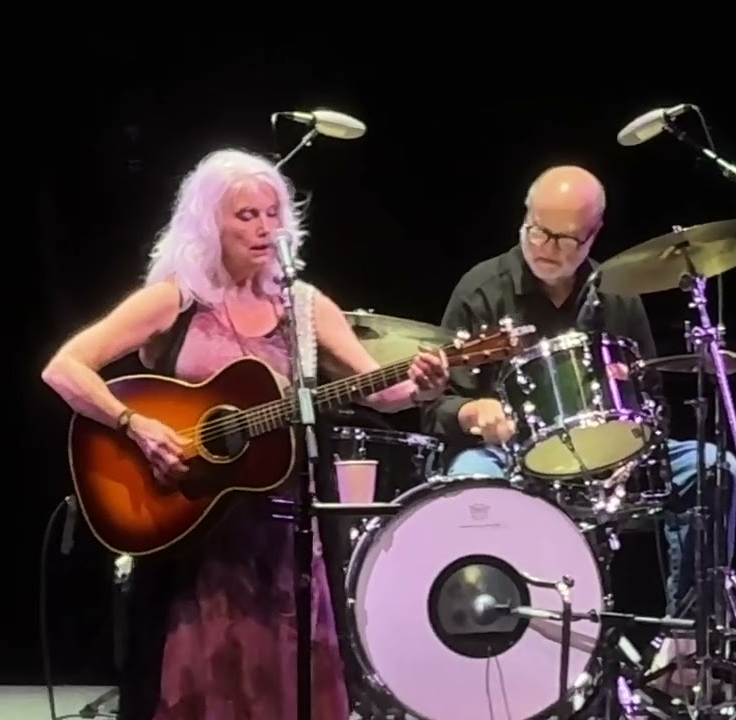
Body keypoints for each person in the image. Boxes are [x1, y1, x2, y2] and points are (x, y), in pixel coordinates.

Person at [41, 147, 449, 720]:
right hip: (192, 536)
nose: (263, 228)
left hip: (281, 540)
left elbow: (373, 388)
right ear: (210, 223)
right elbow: (65, 367)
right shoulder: (176, 299)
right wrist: (135, 424)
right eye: (246, 215)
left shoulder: (301, 307)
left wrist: (421, 388)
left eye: (272, 213)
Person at [420, 164, 736, 621]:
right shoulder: (481, 290)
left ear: (594, 236)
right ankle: (488, 637)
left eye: (566, 238)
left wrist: (635, 447)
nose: (547, 248)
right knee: (467, 480)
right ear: (525, 217)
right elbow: (433, 407)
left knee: (715, 468)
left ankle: (687, 638)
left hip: (611, 463)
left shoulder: (620, 297)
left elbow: (654, 402)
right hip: (511, 459)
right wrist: (473, 411)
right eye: (538, 231)